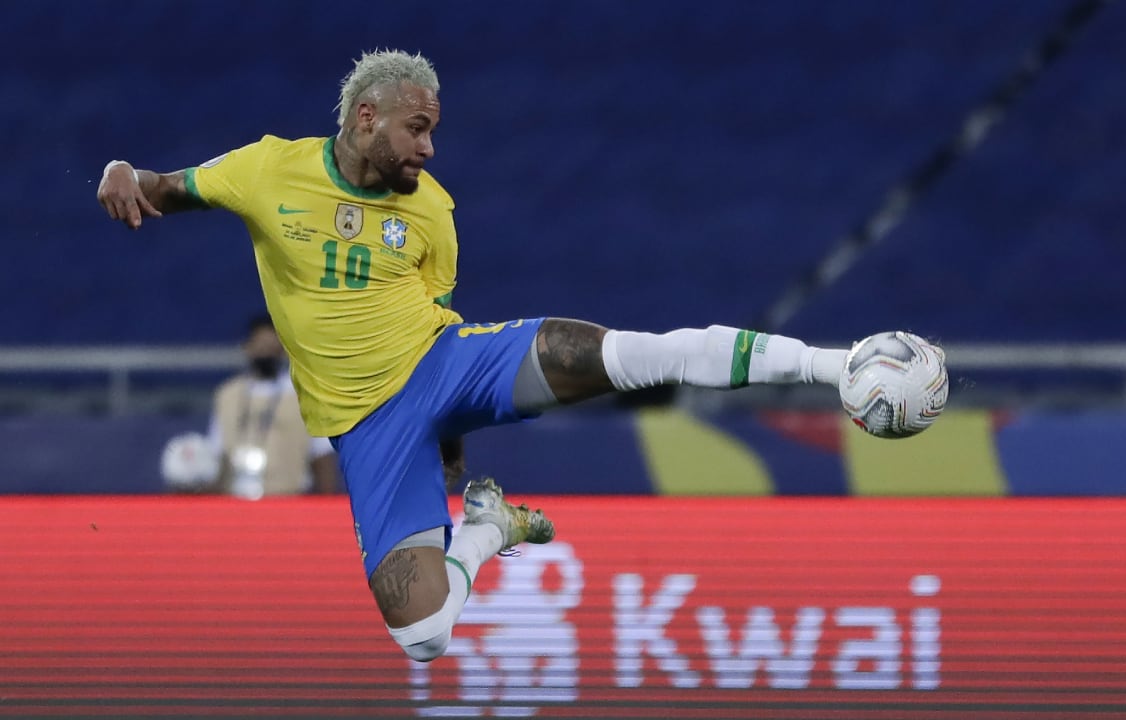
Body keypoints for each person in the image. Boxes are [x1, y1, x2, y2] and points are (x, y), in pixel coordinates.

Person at [96, 49, 864, 663]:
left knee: (631, 354)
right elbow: (164, 189)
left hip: (442, 364)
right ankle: (490, 527)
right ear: (366, 118)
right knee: (423, 638)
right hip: (365, 426)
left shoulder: (432, 210)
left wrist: (453, 422)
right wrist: (124, 173)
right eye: (416, 129)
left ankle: (842, 366)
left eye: (433, 131)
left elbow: (437, 309)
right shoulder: (268, 170)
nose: (429, 149)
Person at [159, 314, 341, 497]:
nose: (266, 354)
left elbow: (321, 456)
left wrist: (326, 502)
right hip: (234, 499)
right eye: (261, 347)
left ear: (283, 350)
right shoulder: (228, 394)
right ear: (247, 348)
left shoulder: (303, 394)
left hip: (287, 498)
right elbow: (217, 454)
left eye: (272, 348)